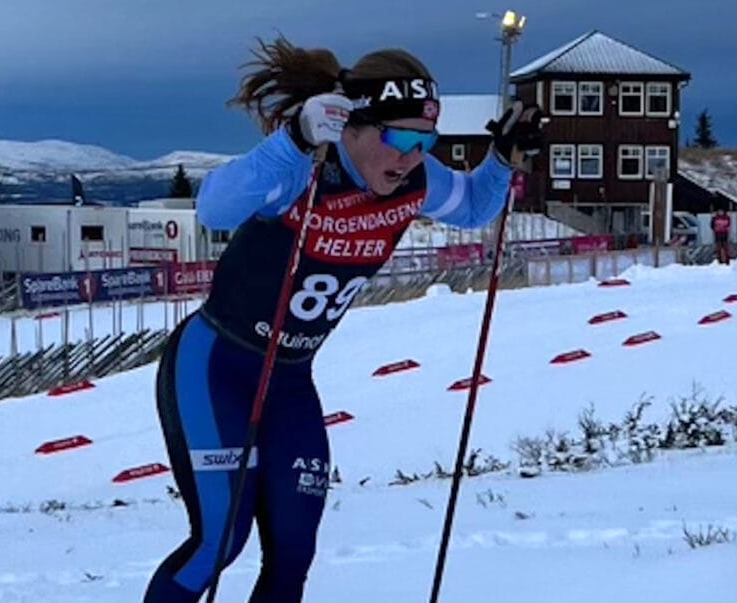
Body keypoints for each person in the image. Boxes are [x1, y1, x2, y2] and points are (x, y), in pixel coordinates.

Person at [143, 36, 544, 603]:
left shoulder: (417, 180)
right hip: (216, 367)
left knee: (294, 550)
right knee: (220, 542)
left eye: (425, 140)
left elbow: (477, 207)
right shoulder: (301, 173)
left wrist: (502, 157)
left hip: (289, 378)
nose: (410, 156)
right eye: (399, 137)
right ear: (351, 128)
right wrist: (294, 140)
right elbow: (213, 209)